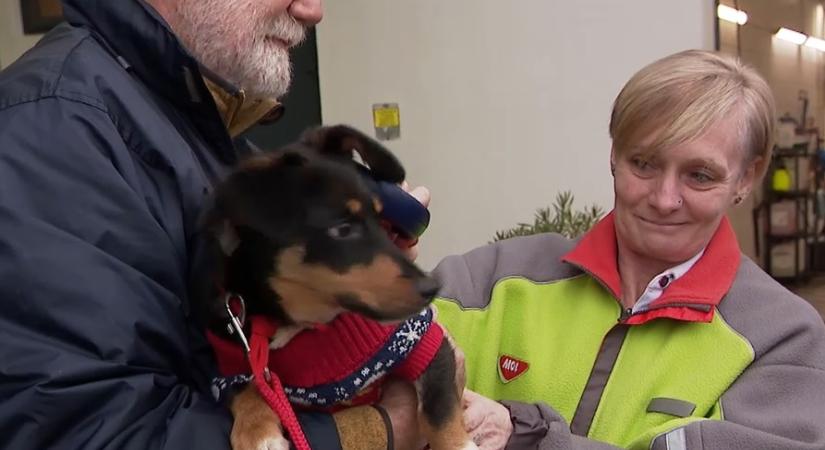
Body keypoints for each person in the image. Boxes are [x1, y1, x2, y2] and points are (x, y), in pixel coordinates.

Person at [0, 0, 427, 448]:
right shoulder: (51, 129)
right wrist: (385, 427)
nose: (311, 10)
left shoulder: (190, 121)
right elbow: (93, 433)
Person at [429, 50, 825, 449]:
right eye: (645, 164)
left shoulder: (781, 339)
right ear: (614, 154)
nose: (665, 198)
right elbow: (376, 358)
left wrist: (531, 440)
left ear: (746, 178)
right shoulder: (492, 282)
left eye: (700, 176)